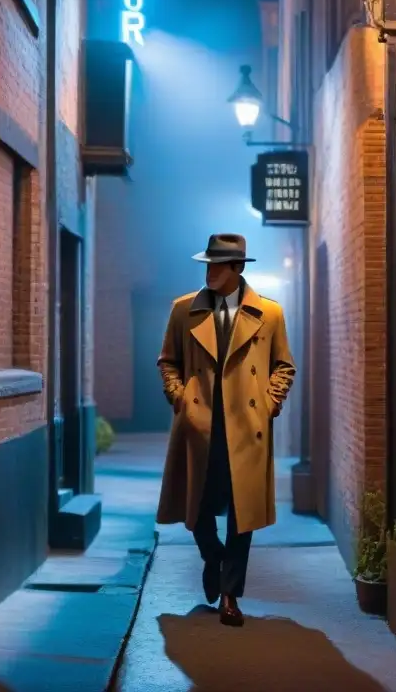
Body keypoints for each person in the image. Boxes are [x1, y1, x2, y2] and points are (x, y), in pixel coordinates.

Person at [155, 233, 296, 627]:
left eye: (217, 265)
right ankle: (213, 558)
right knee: (196, 503)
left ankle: (230, 595)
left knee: (242, 512)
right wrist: (180, 397)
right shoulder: (184, 310)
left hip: (246, 426)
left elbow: (284, 365)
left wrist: (269, 404)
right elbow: (168, 361)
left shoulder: (269, 313)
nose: (209, 272)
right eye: (207, 264)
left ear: (237, 269)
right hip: (199, 425)